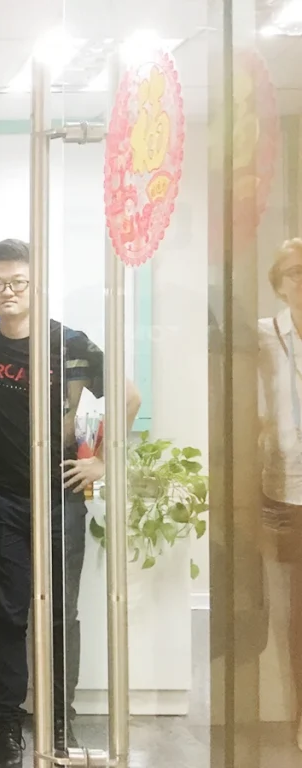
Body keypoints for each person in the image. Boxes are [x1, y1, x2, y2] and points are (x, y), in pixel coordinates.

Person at [0, 239, 140, 768]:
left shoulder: (72, 343)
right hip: (0, 499)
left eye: (18, 282)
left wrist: (103, 461)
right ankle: (7, 723)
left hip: (61, 499)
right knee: (7, 614)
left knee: (63, 613)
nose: (8, 291)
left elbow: (127, 396)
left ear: (36, 286)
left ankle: (60, 720)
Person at [257, 238, 302, 751]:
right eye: (295, 272)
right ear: (279, 283)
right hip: (287, 491)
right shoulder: (265, 334)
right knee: (296, 617)